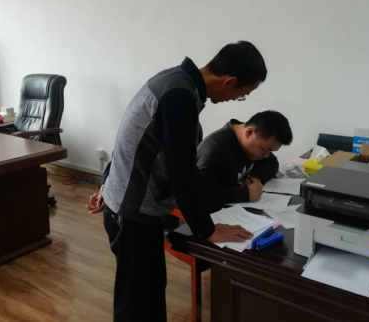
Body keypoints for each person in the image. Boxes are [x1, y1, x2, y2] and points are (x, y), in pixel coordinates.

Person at [86, 41, 267, 322]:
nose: (236, 100)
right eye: (242, 95)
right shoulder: (179, 96)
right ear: (229, 81)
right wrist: (207, 230)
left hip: (128, 206)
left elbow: (131, 135)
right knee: (138, 306)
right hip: (133, 214)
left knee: (145, 296)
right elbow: (182, 170)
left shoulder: (172, 80)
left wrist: (107, 183)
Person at [197, 111, 293, 213]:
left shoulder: (254, 142)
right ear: (249, 132)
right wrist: (245, 194)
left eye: (271, 151)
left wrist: (256, 177)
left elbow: (272, 163)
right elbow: (197, 192)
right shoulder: (214, 149)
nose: (266, 155)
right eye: (265, 149)